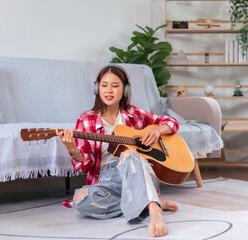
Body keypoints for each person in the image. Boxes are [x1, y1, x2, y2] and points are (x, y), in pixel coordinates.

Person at [58, 64, 179, 238]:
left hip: (135, 169)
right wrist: (71, 148)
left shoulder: (134, 114)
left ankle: (154, 210)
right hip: (107, 178)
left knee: (128, 153)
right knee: (80, 200)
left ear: (125, 89)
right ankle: (147, 201)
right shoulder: (86, 120)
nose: (109, 90)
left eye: (115, 86)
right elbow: (86, 166)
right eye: (104, 85)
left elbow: (171, 121)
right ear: (96, 88)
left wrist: (158, 131)